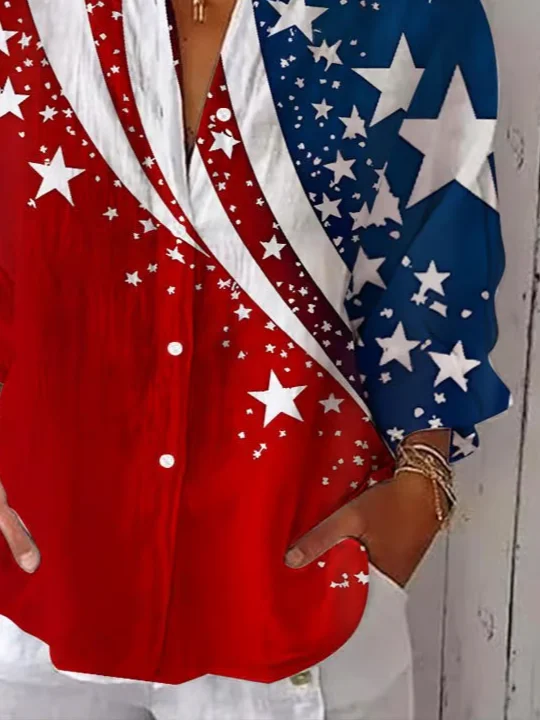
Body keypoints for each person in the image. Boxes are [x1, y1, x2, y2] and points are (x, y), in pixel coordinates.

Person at [0, 0, 510, 717]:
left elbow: (440, 242)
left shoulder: (408, 12)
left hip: (299, 596)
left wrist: (422, 484)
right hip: (35, 589)